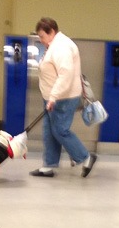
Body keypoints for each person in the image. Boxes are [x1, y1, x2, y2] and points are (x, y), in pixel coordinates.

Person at [30, 17, 97, 179]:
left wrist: (53, 97)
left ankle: (85, 157)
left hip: (62, 98)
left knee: (60, 130)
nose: (41, 40)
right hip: (53, 97)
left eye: (42, 36)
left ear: (51, 32)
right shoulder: (54, 45)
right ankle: (49, 165)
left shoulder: (61, 47)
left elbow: (65, 75)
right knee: (49, 131)